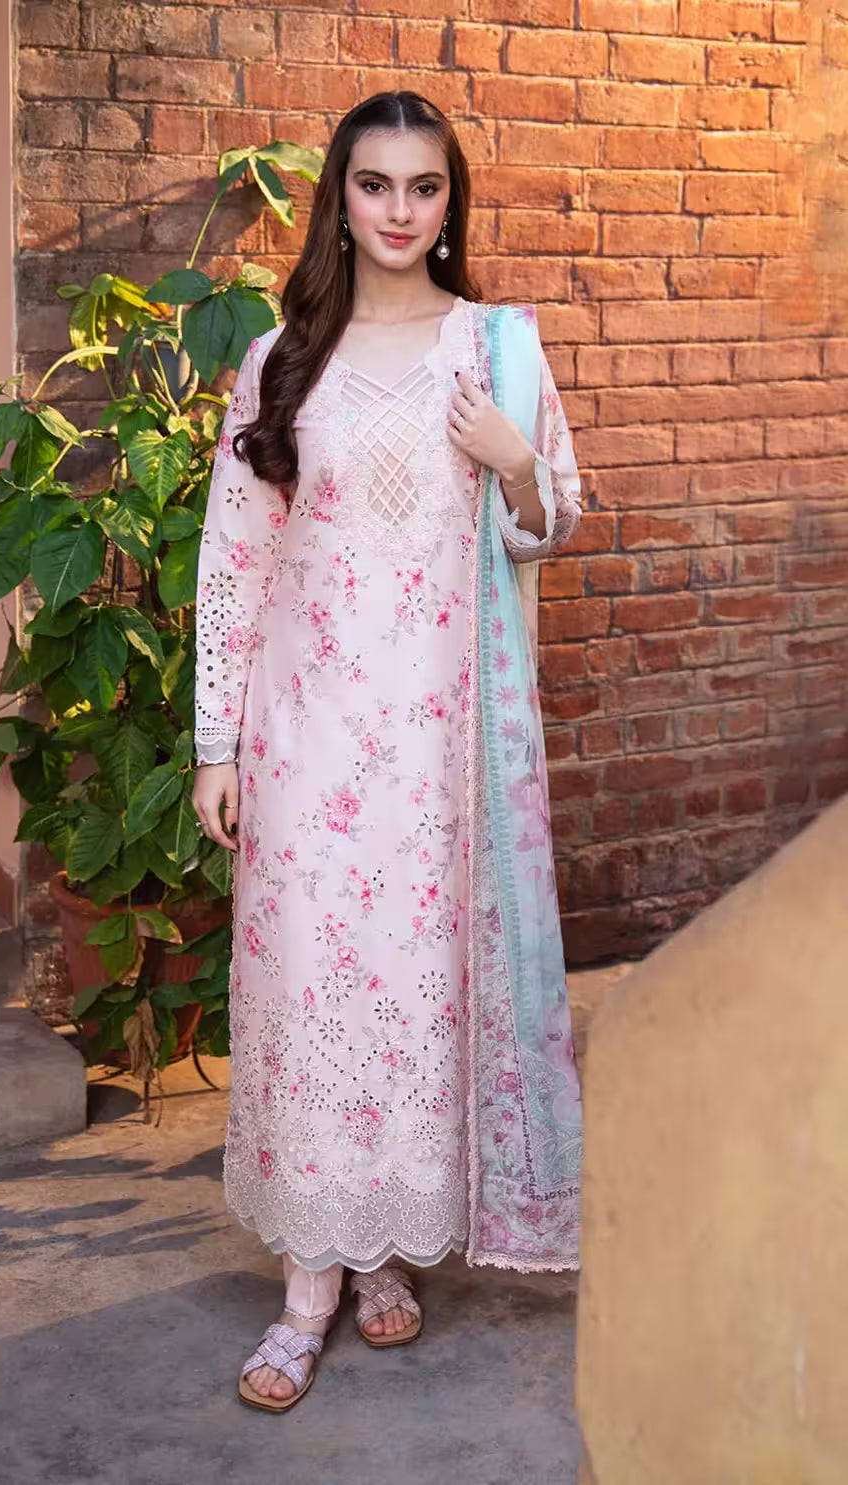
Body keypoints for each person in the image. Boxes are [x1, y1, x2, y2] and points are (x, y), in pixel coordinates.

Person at [192, 90, 584, 1413]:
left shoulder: (494, 353)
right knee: (311, 992)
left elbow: (551, 520)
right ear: (338, 198)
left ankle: (382, 1258)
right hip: (306, 738)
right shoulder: (280, 357)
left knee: (410, 1000)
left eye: (425, 187)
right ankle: (306, 1286)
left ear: (448, 201)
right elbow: (236, 566)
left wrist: (513, 457)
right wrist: (215, 746)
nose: (402, 211)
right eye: (376, 185)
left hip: (437, 747)